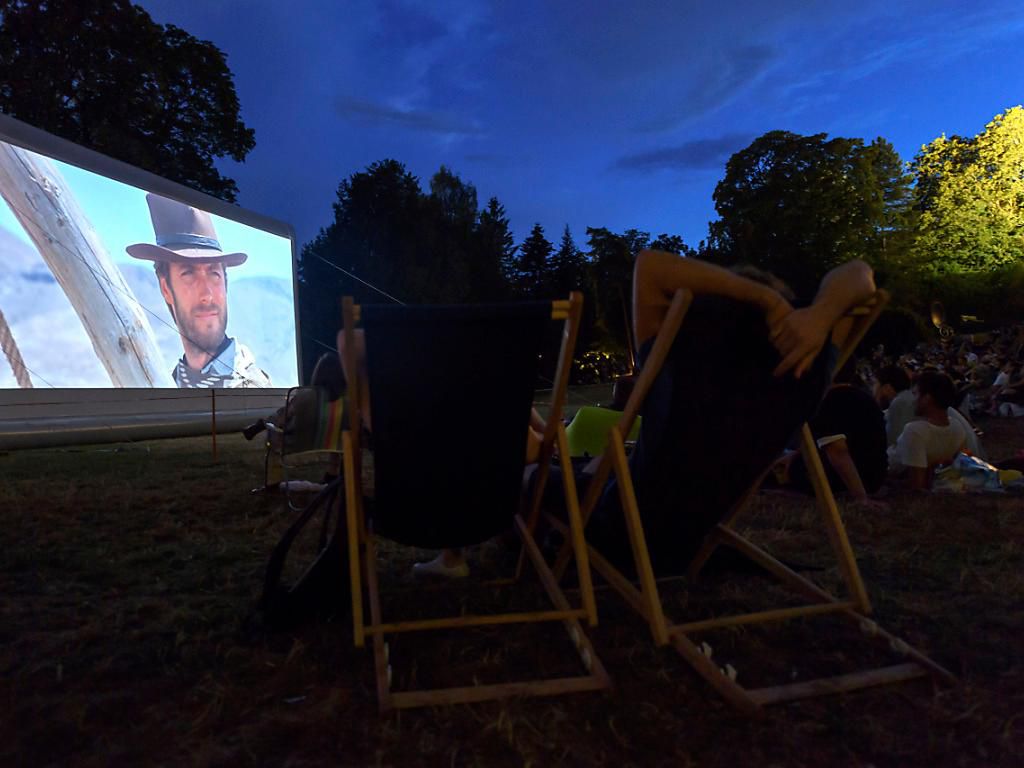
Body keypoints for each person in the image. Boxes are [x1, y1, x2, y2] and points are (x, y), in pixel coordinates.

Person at [576, 250, 878, 574]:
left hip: (619, 532)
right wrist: (820, 315)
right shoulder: (806, 367)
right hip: (691, 540)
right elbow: (860, 274)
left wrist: (764, 299)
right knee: (592, 471)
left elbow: (648, 265)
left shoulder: (680, 348)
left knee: (541, 478)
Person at [127, 193, 271, 388]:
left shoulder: (256, 391)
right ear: (166, 289)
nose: (207, 295)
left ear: (226, 284)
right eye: (188, 274)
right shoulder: (166, 385)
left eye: (214, 274)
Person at [888, 371, 967, 490]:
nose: (913, 400)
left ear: (927, 398)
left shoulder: (916, 431)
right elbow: (955, 467)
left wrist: (886, 482)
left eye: (915, 394)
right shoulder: (957, 427)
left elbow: (916, 484)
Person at [874, 365, 915, 447]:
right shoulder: (907, 397)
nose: (874, 388)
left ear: (887, 388)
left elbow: (892, 442)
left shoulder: (899, 403)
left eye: (875, 383)